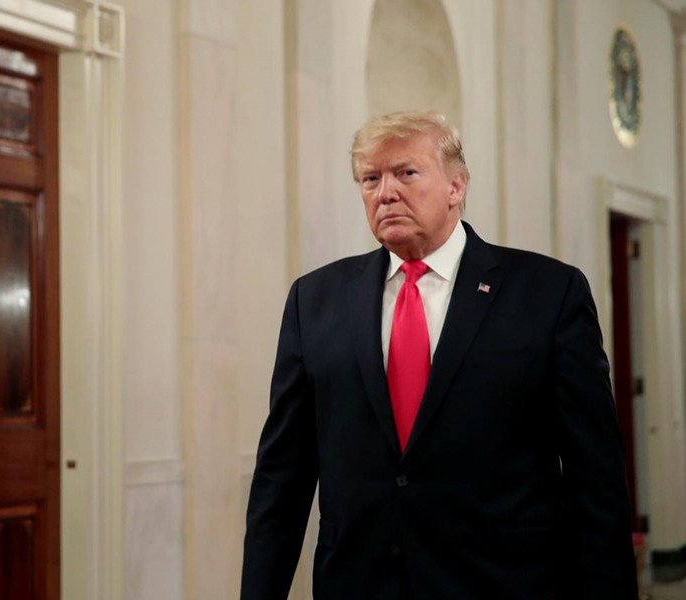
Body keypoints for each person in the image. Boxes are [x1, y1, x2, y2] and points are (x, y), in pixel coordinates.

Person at [240, 110, 637, 599]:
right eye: (371, 178)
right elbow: (282, 476)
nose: (385, 192)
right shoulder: (315, 300)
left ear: (456, 187)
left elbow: (594, 477)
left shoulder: (548, 294)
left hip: (501, 583)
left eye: (406, 173)